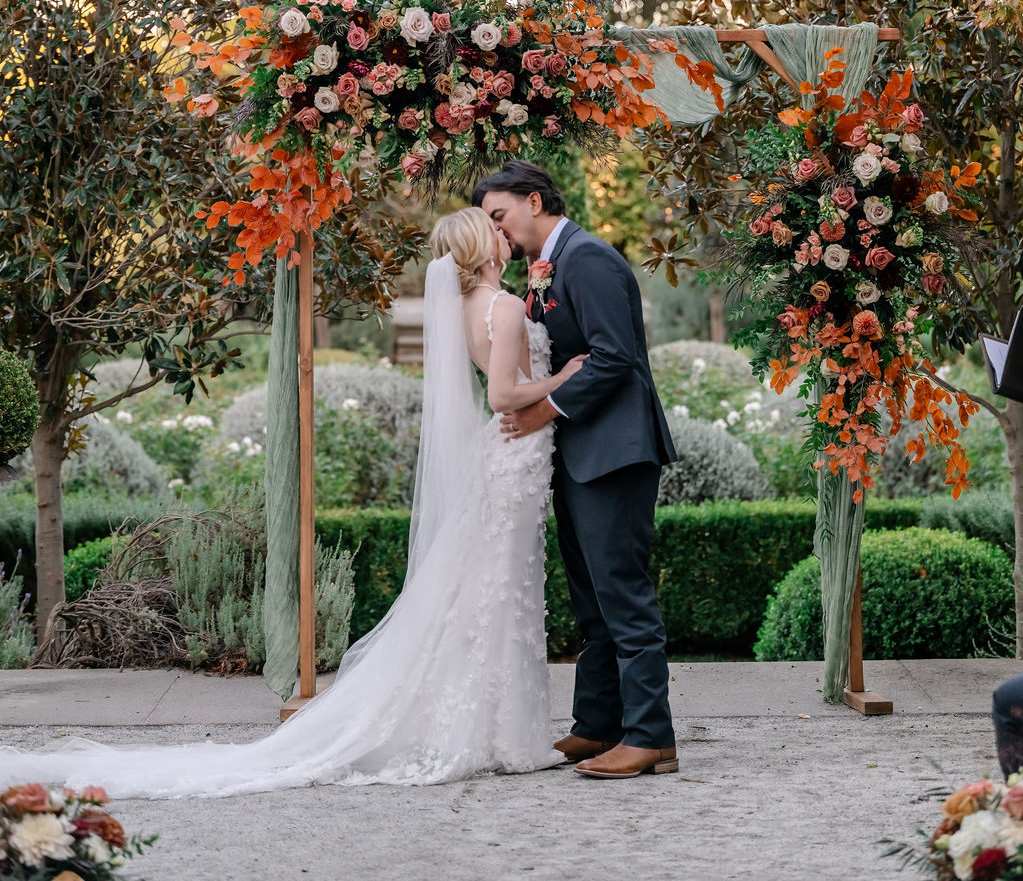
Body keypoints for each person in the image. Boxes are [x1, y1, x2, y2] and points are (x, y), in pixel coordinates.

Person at [0, 208, 586, 797]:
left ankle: (495, 730)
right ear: (482, 246)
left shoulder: (468, 306)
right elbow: (504, 395)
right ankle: (498, 734)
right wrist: (566, 379)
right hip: (514, 454)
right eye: (496, 230)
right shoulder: (501, 305)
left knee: (494, 589)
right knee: (499, 588)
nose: (505, 235)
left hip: (511, 458)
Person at [473, 159, 679, 779]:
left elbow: (615, 357)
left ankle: (651, 738)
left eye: (499, 215)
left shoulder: (588, 259)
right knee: (591, 599)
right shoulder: (550, 265)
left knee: (622, 594)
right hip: (578, 452)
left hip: (614, 450)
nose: (496, 231)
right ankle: (598, 724)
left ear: (534, 201)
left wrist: (545, 409)